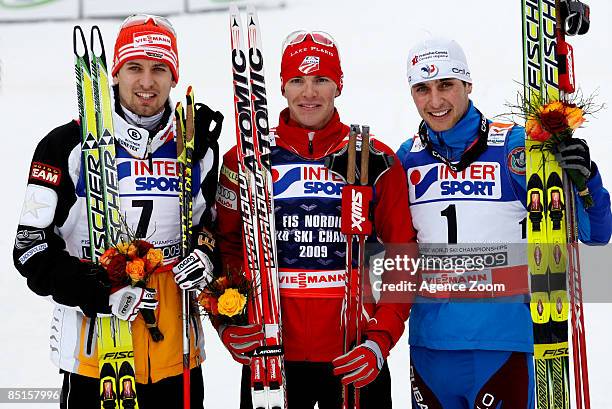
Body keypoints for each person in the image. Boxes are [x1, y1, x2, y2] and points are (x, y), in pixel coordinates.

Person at [13, 15, 223, 409]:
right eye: (135, 68)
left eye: (159, 68)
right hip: (96, 359)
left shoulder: (199, 147)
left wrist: (206, 256)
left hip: (177, 357)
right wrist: (97, 290)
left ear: (174, 76)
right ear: (116, 72)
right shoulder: (66, 145)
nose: (147, 82)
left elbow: (211, 227)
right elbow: (30, 250)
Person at [397, 37, 612, 409]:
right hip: (430, 348)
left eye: (446, 85)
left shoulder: (515, 147)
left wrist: (585, 178)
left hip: (501, 346)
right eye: (422, 88)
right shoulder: (406, 158)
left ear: (468, 85)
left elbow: (596, 233)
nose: (435, 101)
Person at [215, 31, 416, 408]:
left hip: (353, 356)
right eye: (298, 80)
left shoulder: (377, 159)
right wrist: (228, 320)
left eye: (321, 80)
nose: (309, 93)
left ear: (338, 85)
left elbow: (403, 257)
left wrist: (380, 340)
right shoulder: (242, 160)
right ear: (281, 86)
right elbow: (226, 245)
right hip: (271, 358)